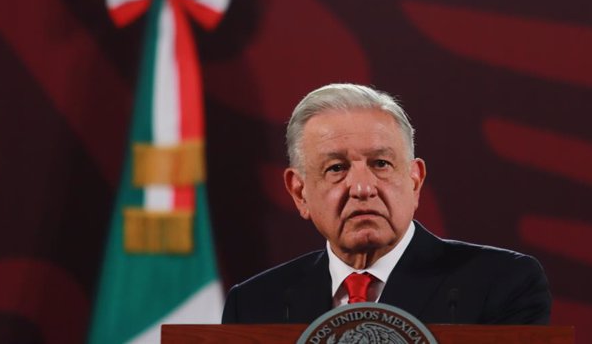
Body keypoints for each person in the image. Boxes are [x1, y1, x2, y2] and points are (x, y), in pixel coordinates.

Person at [222, 83, 551, 325]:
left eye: (381, 164)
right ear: (299, 192)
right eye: (336, 168)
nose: (363, 188)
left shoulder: (501, 284)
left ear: (414, 180)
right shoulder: (254, 305)